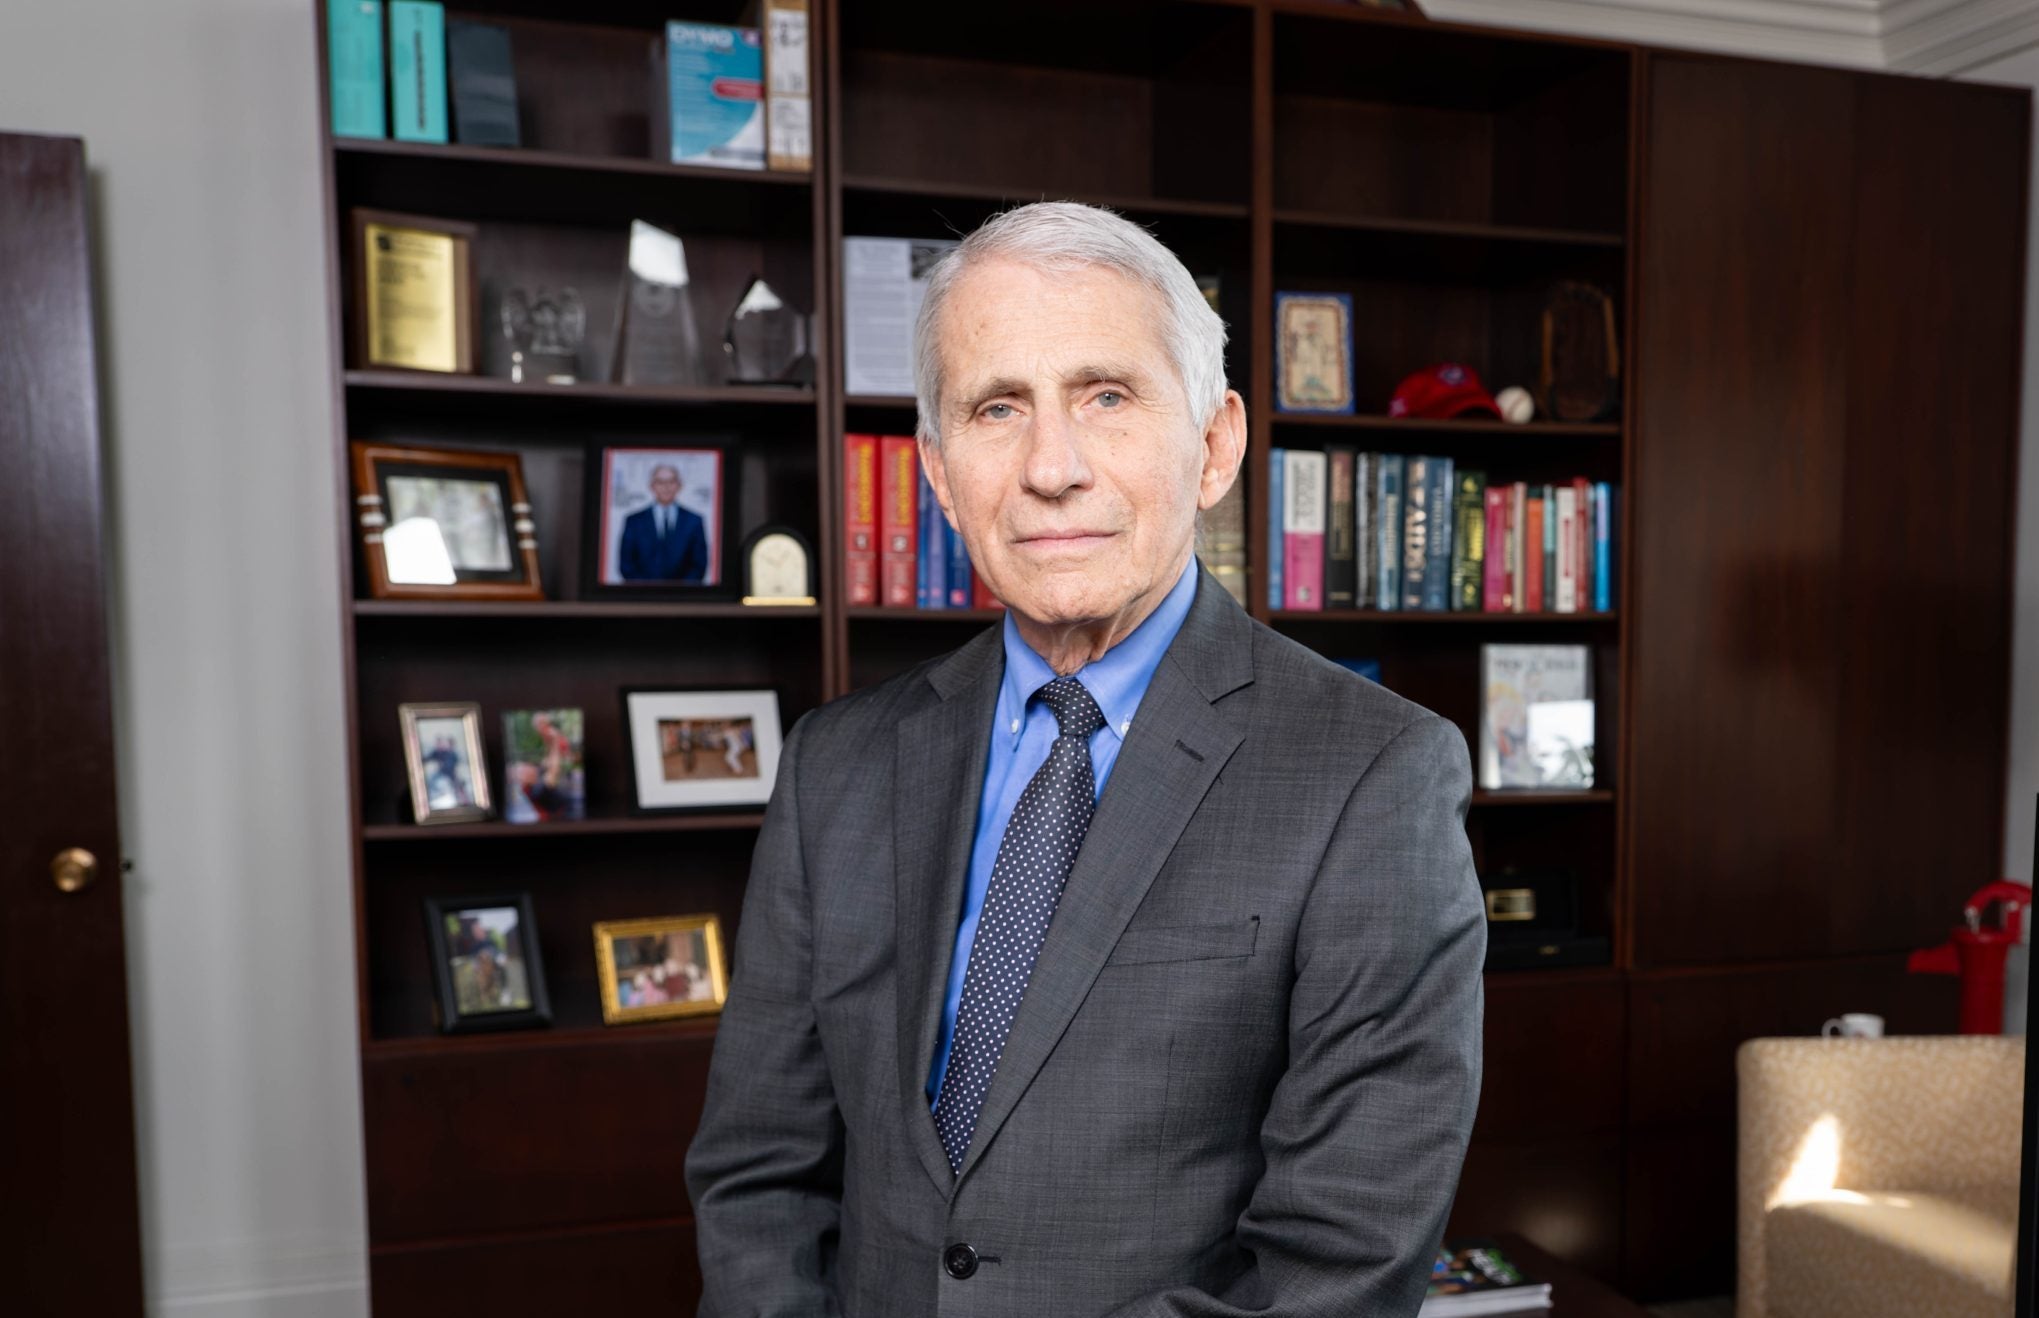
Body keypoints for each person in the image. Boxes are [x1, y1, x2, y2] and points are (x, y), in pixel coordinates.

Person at [685, 202, 1486, 1317]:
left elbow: (1336, 1262)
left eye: (1105, 397)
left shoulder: (1374, 774)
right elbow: (757, 1177)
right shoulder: (835, 767)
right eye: (995, 406)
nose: (1048, 467)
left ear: (1212, 445)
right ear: (936, 470)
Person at [617, 463, 709, 583]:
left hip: (683, 597)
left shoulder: (694, 521)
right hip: (641, 597)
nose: (666, 487)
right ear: (652, 486)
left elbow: (699, 564)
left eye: (671, 482)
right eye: (660, 482)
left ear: (679, 486)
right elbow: (627, 564)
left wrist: (680, 591)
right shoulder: (634, 521)